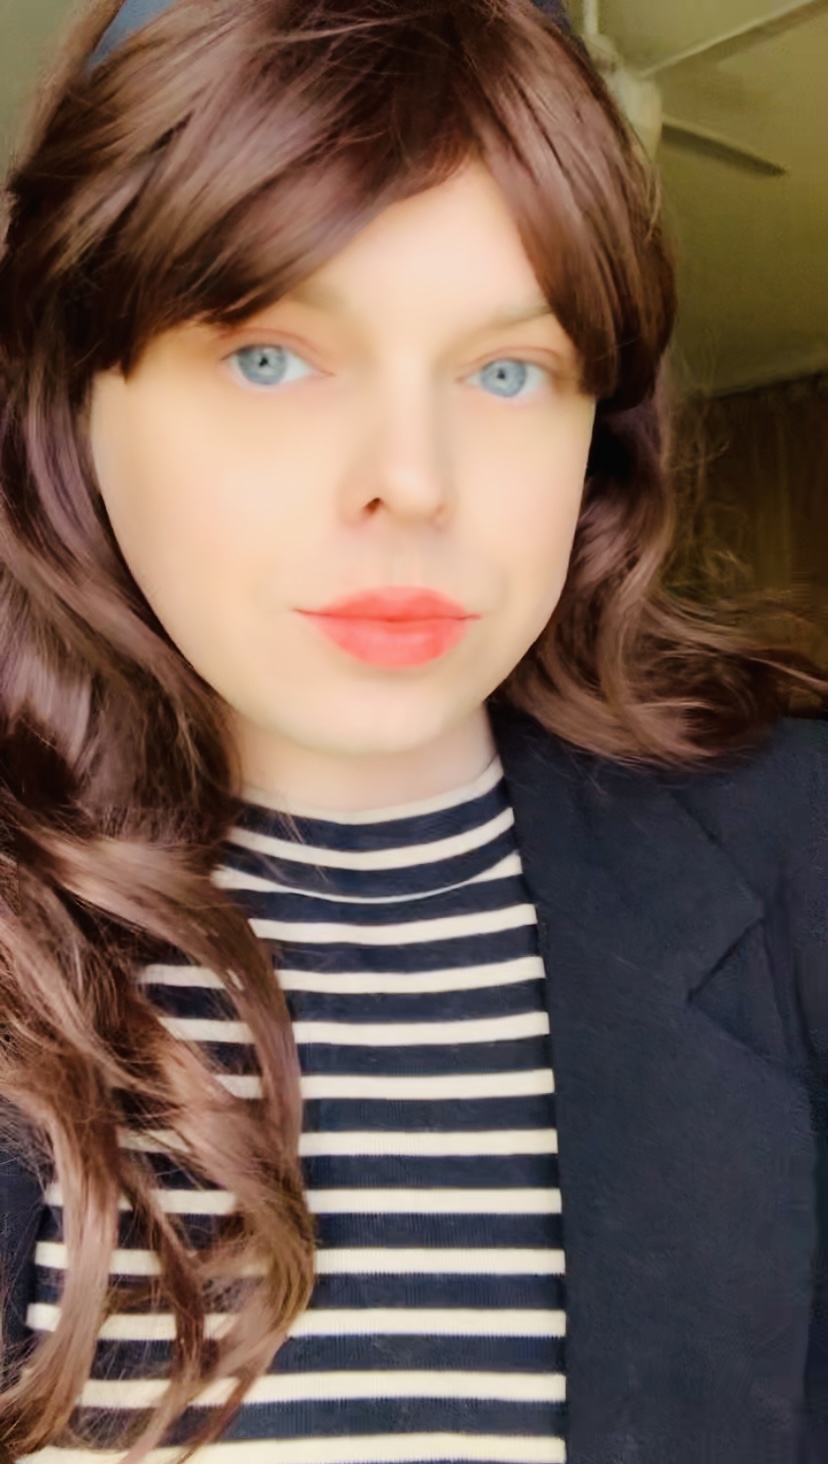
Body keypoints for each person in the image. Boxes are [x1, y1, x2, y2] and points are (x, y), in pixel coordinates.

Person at [0, 0, 826, 1459]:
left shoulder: (801, 856)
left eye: (507, 371)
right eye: (271, 355)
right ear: (74, 395)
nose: (414, 479)